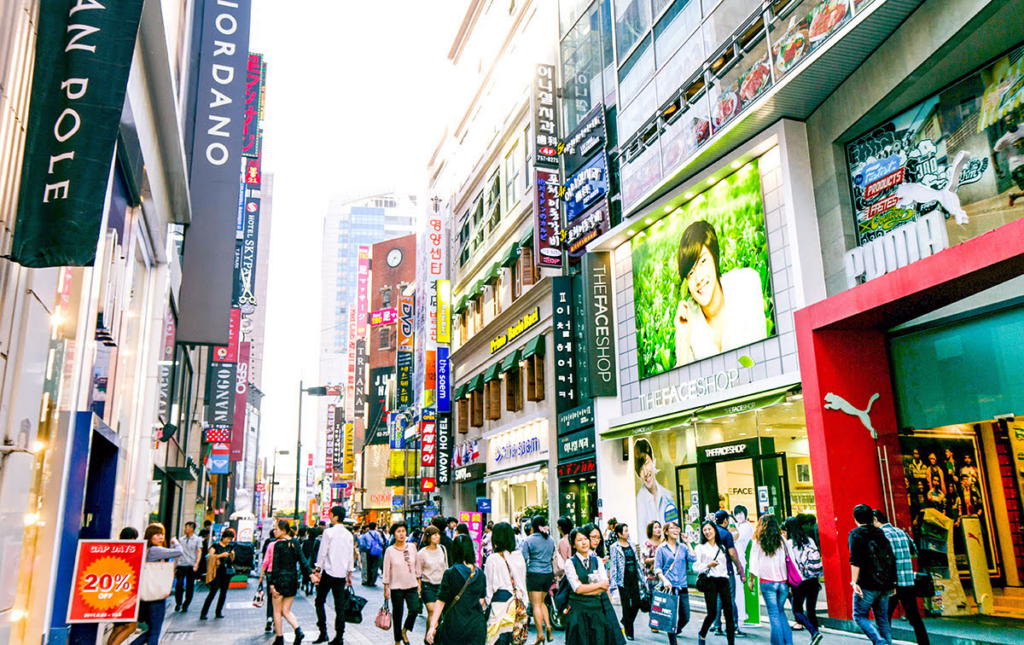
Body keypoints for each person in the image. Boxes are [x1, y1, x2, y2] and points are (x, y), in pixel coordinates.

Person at [674, 220, 767, 366]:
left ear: (714, 259)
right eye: (691, 273)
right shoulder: (686, 318)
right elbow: (680, 385)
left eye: (703, 261)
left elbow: (761, 358)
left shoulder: (747, 283)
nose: (698, 279)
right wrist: (684, 340)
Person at [561, 526, 626, 645]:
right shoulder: (571, 563)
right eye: (579, 540)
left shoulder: (597, 561)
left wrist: (585, 589)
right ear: (573, 544)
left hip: (596, 611)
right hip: (578, 612)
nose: (584, 542)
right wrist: (597, 587)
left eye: (585, 538)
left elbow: (605, 585)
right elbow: (577, 588)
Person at [875, 510, 930, 645]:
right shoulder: (901, 532)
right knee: (915, 618)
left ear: (875, 519)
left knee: (883, 618)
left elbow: (886, 561)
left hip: (892, 584)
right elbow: (914, 552)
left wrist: (891, 582)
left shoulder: (881, 535)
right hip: (908, 581)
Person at [426, 534, 487, 645]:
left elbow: (441, 600)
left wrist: (432, 625)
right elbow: (481, 601)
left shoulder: (450, 573)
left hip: (454, 624)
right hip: (476, 626)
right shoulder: (480, 574)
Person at [849, 504, 897, 645]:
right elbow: (891, 557)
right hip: (885, 583)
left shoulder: (856, 534)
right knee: (882, 619)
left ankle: (880, 642)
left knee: (859, 615)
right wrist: (893, 582)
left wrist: (854, 582)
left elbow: (855, 560)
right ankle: (887, 643)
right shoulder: (880, 533)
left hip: (867, 582)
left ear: (855, 518)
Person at [129, 523, 182, 645]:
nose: (161, 537)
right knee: (154, 633)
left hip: (145, 596)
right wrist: (175, 542)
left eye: (162, 534)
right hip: (155, 596)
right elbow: (178, 552)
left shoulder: (146, 550)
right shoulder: (155, 550)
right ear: (150, 536)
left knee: (152, 632)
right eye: (157, 534)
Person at [261, 519, 311, 645]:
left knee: (277, 611)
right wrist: (310, 574)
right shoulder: (295, 543)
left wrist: (271, 585)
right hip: (292, 580)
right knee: (286, 611)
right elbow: (303, 560)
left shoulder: (278, 545)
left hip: (279, 581)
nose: (274, 531)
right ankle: (298, 631)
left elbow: (275, 566)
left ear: (283, 530)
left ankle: (279, 638)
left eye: (276, 529)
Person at [747, 515, 793, 645]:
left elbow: (753, 563)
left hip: (767, 583)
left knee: (773, 615)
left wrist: (751, 580)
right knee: (780, 611)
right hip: (783, 583)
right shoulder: (783, 540)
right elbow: (791, 560)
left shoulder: (758, 541)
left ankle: (778, 643)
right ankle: (788, 643)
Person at [313, 505, 354, 645]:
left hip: (328, 573)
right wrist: (350, 573)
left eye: (331, 514)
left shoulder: (328, 533)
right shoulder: (349, 535)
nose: (329, 516)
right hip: (341, 575)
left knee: (319, 601)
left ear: (336, 516)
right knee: (339, 606)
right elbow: (350, 555)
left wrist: (318, 569)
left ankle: (323, 632)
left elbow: (322, 552)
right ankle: (339, 637)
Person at [654, 521, 697, 645]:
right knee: (671, 618)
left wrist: (688, 542)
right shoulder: (661, 549)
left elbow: (693, 558)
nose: (676, 530)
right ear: (666, 532)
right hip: (668, 587)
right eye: (672, 528)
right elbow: (658, 568)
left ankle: (676, 630)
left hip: (682, 585)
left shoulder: (682, 547)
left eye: (677, 528)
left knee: (685, 616)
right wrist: (665, 580)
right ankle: (673, 641)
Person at [485, 522, 528, 645]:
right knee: (515, 640)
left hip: (501, 605)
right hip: (519, 603)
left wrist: (485, 606)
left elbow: (489, 588)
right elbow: (523, 581)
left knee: (497, 640)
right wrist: (525, 602)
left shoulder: (492, 559)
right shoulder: (519, 556)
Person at [694, 520, 735, 645]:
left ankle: (731, 642)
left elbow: (725, 564)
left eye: (709, 529)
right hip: (710, 580)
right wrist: (708, 565)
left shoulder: (721, 547)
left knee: (729, 613)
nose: (707, 532)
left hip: (723, 580)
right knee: (712, 613)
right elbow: (695, 567)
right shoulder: (700, 547)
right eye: (705, 530)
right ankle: (702, 633)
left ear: (714, 530)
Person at [784, 517, 823, 645]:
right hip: (813, 579)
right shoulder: (809, 540)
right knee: (811, 610)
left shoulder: (790, 543)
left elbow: (788, 564)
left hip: (799, 581)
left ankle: (814, 633)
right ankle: (815, 636)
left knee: (797, 610)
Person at [383, 521, 422, 645]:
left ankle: (405, 630)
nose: (401, 534)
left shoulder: (412, 547)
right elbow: (386, 570)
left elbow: (417, 565)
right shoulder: (389, 550)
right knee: (398, 614)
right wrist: (385, 588)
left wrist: (419, 583)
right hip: (396, 587)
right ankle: (397, 640)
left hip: (412, 585)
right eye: (398, 531)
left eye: (403, 531)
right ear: (394, 534)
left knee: (415, 609)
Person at [520, 515, 556, 643]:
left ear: (533, 526)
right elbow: (552, 555)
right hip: (548, 574)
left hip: (534, 574)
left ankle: (540, 634)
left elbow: (523, 558)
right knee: (542, 603)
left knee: (535, 604)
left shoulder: (528, 540)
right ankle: (549, 626)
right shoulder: (550, 539)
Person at [634, 438, 679, 537]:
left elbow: (675, 527)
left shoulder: (668, 496)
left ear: (653, 461)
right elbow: (642, 538)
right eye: (641, 469)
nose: (645, 473)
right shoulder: (639, 502)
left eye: (646, 462)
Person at [711, 510, 745, 636]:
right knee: (730, 598)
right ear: (725, 520)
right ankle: (733, 626)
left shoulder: (711, 533)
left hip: (714, 571)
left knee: (718, 598)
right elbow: (732, 553)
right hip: (727, 570)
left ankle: (717, 625)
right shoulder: (726, 534)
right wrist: (738, 567)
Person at [107, 528, 142, 645]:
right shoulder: (131, 551)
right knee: (131, 625)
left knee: (117, 627)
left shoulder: (114, 549)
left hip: (113, 592)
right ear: (132, 538)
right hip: (125, 593)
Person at [608, 523, 643, 640]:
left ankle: (625, 621)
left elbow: (637, 562)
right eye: (625, 531)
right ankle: (629, 632)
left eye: (628, 530)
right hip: (622, 580)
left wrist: (642, 578)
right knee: (626, 605)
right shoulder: (614, 547)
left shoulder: (632, 544)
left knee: (637, 602)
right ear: (619, 534)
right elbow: (613, 565)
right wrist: (613, 583)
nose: (627, 533)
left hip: (634, 578)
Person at [200, 527, 236, 620]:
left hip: (226, 572)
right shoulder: (215, 546)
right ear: (223, 537)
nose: (228, 541)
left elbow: (232, 560)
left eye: (230, 539)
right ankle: (204, 613)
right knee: (212, 592)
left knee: (223, 593)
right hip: (216, 572)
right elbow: (210, 557)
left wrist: (231, 555)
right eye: (227, 538)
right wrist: (221, 555)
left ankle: (218, 611)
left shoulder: (229, 547)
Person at [420, 526, 449, 636]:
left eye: (438, 534)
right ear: (428, 537)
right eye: (435, 534)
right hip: (428, 586)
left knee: (439, 613)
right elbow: (418, 572)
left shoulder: (442, 549)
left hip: (441, 585)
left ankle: (432, 637)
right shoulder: (422, 553)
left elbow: (446, 566)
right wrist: (419, 588)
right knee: (432, 611)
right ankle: (430, 637)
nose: (438, 536)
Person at [172, 521, 203, 613]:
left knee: (190, 586)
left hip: (191, 565)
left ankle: (186, 604)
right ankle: (178, 603)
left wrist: (197, 563)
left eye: (187, 527)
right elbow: (177, 553)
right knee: (179, 584)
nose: (185, 529)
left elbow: (199, 551)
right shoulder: (181, 540)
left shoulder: (197, 540)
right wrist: (174, 565)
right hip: (181, 564)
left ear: (192, 529)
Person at [732, 506, 754, 625]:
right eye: (737, 514)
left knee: (739, 588)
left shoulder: (746, 527)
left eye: (741, 514)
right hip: (735, 558)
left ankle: (741, 616)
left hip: (740, 559)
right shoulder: (737, 526)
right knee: (735, 588)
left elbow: (737, 539)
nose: (739, 516)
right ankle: (738, 615)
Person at [641, 520, 662, 632]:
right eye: (655, 527)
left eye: (659, 527)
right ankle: (653, 623)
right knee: (653, 599)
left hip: (664, 575)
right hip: (651, 576)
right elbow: (644, 560)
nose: (658, 529)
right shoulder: (647, 544)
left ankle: (663, 620)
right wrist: (656, 559)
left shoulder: (664, 542)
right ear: (650, 530)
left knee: (663, 599)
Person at [365, 521, 385, 586]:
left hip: (368, 550)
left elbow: (363, 541)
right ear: (375, 527)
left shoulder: (366, 534)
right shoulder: (377, 534)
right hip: (375, 550)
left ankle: (368, 579)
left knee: (369, 565)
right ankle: (373, 581)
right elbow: (381, 541)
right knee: (375, 565)